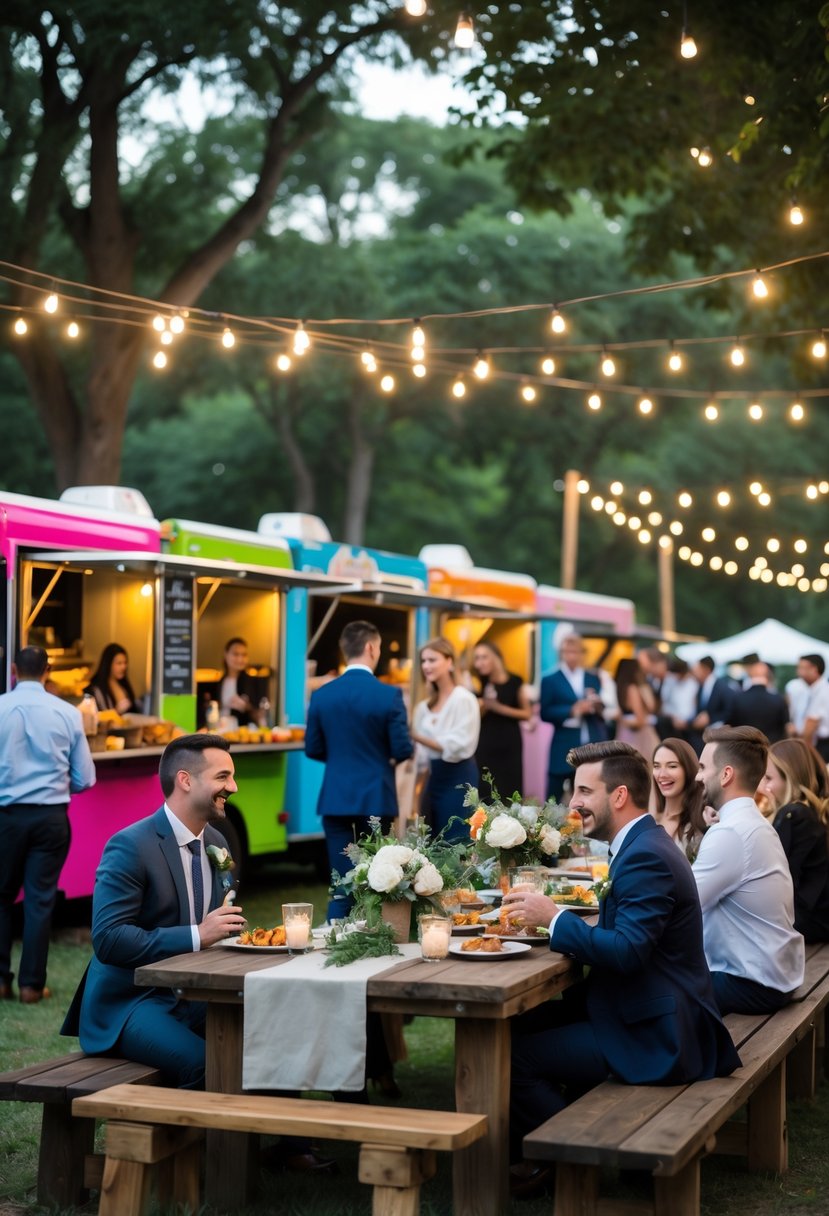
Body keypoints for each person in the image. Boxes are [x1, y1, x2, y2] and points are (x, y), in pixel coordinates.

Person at [505, 740, 739, 1196]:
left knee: (516, 1059)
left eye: (584, 792)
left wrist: (553, 918)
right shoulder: (641, 843)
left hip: (657, 1033)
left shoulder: (646, 855)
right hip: (641, 1008)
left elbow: (629, 950)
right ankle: (529, 1156)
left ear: (618, 796)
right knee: (516, 1024)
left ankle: (574, 1158)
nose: (573, 803)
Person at [61, 734, 246, 1085]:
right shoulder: (130, 846)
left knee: (267, 1041)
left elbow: (219, 920)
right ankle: (187, 1139)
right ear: (185, 780)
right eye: (223, 777)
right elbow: (110, 939)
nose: (233, 786)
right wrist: (198, 935)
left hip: (198, 992)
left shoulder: (217, 843)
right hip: (133, 1001)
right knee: (206, 1064)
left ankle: (286, 1140)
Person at [0, 646, 96, 1004]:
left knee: (1, 897)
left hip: (6, 816)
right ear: (48, 670)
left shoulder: (0, 708)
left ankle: (0, 980)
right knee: (39, 902)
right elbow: (85, 778)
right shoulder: (67, 713)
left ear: (13, 670)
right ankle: (31, 986)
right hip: (51, 817)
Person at [305, 620, 413, 920]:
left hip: (336, 798)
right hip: (376, 798)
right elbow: (402, 749)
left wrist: (342, 759)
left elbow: (312, 748)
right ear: (370, 648)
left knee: (342, 884)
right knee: (380, 881)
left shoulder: (322, 695)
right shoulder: (388, 695)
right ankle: (377, 941)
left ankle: (333, 947)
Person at [694, 726, 805, 1014]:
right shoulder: (750, 823)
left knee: (645, 992)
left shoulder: (730, 833)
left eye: (703, 767)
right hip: (775, 974)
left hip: (752, 983)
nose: (697, 776)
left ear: (726, 774)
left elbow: (682, 905)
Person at [411, 637, 480, 841]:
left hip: (459, 777)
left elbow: (459, 745)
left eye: (432, 660)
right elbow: (422, 758)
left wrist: (415, 736)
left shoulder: (463, 699)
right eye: (423, 661)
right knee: (432, 840)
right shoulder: (423, 707)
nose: (426, 666)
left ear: (449, 662)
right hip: (433, 778)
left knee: (456, 839)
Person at [762, 738, 829, 942]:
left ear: (789, 778)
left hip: (806, 924)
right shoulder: (810, 812)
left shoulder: (794, 815)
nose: (763, 787)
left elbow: (775, 883)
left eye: (768, 779)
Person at [540, 633, 608, 801]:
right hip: (563, 742)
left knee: (590, 791)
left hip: (590, 739)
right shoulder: (550, 680)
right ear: (561, 653)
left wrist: (596, 705)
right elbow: (545, 712)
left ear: (582, 653)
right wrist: (572, 710)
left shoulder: (592, 677)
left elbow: (602, 708)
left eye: (575, 651)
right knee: (554, 796)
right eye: (566, 651)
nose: (571, 655)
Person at [472, 640, 531, 800]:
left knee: (509, 790)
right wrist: (484, 704)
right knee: (486, 789)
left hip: (509, 744)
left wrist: (497, 707)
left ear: (496, 657)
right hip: (485, 743)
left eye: (484, 657)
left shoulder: (515, 681)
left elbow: (527, 713)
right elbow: (473, 716)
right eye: (476, 658)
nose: (479, 663)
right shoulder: (478, 682)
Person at [651, 737, 708, 861]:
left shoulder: (701, 823)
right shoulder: (650, 821)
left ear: (688, 770)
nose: (662, 774)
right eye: (656, 766)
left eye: (672, 766)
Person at [198, 637, 264, 728]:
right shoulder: (219, 682)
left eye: (244, 655)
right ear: (226, 654)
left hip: (243, 732)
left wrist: (247, 707)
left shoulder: (253, 682)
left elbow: (262, 716)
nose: (240, 659)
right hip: (220, 730)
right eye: (236, 654)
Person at [730, 660, 789, 743]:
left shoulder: (737, 698)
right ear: (768, 675)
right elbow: (784, 726)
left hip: (743, 749)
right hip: (771, 748)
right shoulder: (778, 699)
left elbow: (731, 725)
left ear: (749, 674)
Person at [614, 656, 660, 759]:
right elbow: (640, 719)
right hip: (638, 736)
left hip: (624, 733)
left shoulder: (621, 688)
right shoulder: (632, 689)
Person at [690, 656, 736, 753]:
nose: (694, 672)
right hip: (700, 737)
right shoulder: (699, 686)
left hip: (717, 737)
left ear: (705, 670)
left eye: (697, 669)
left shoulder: (723, 688)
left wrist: (710, 719)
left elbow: (730, 712)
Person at [84, 642, 141, 713]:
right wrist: (116, 712)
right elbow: (96, 718)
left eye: (125, 662)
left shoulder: (124, 684)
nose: (123, 667)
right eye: (119, 663)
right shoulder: (94, 690)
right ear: (108, 664)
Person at [795, 654, 829, 763]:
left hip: (822, 747)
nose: (798, 672)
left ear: (814, 669)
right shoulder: (816, 690)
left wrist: (803, 754)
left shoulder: (822, 691)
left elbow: (811, 724)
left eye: (802, 668)